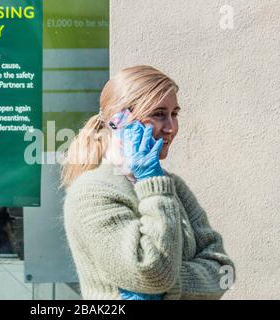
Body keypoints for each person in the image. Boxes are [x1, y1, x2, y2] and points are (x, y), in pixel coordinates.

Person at [61, 65, 235, 300]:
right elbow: (151, 272)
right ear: (118, 121)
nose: (171, 128)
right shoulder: (92, 193)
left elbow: (223, 271)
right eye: (159, 114)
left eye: (174, 114)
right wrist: (152, 183)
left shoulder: (172, 186)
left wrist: (167, 288)